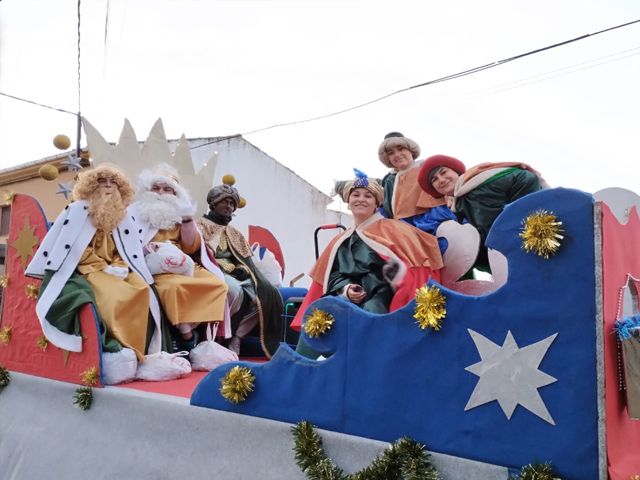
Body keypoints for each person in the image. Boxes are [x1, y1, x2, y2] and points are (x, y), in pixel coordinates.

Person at [291, 170, 443, 356]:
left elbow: (405, 273)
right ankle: (299, 369)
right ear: (348, 201)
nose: (361, 199)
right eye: (355, 195)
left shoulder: (397, 231)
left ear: (377, 203)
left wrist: (376, 285)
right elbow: (333, 276)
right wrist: (346, 290)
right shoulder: (341, 240)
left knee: (371, 312)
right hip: (347, 297)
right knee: (319, 315)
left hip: (383, 297)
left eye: (368, 195)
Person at [26, 164, 162, 361]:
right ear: (90, 186)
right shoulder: (77, 210)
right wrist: (103, 267)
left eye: (112, 182)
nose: (108, 187)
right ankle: (114, 349)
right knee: (115, 295)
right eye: (102, 182)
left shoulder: (122, 216)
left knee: (142, 289)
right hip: (87, 268)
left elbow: (125, 250)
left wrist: (119, 266)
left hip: (116, 268)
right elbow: (74, 249)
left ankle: (138, 351)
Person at [131, 164, 230, 352]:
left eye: (167, 189)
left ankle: (192, 328)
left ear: (175, 194)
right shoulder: (135, 212)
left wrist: (186, 220)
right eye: (156, 188)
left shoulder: (180, 213)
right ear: (148, 190)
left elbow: (190, 247)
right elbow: (127, 244)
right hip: (153, 268)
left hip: (182, 264)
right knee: (175, 288)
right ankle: (186, 335)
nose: (161, 193)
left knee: (218, 285)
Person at [196, 176, 284, 358]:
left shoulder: (235, 233)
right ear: (213, 204)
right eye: (224, 202)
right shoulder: (200, 225)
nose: (228, 206)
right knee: (234, 290)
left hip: (237, 275)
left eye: (232, 203)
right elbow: (200, 254)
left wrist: (246, 272)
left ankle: (235, 336)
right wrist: (228, 268)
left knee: (268, 294)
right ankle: (217, 337)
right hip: (208, 272)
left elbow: (246, 261)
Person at [418, 154, 546, 270]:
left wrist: (517, 225)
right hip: (513, 256)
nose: (441, 179)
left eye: (444, 172)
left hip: (536, 242)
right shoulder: (460, 205)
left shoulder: (477, 183)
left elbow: (527, 179)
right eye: (434, 179)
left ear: (456, 171)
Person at [376, 132, 457, 251]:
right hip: (406, 234)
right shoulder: (389, 181)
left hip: (438, 222)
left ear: (411, 150)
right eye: (391, 153)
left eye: (400, 149)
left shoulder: (429, 168)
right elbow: (387, 210)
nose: (397, 155)